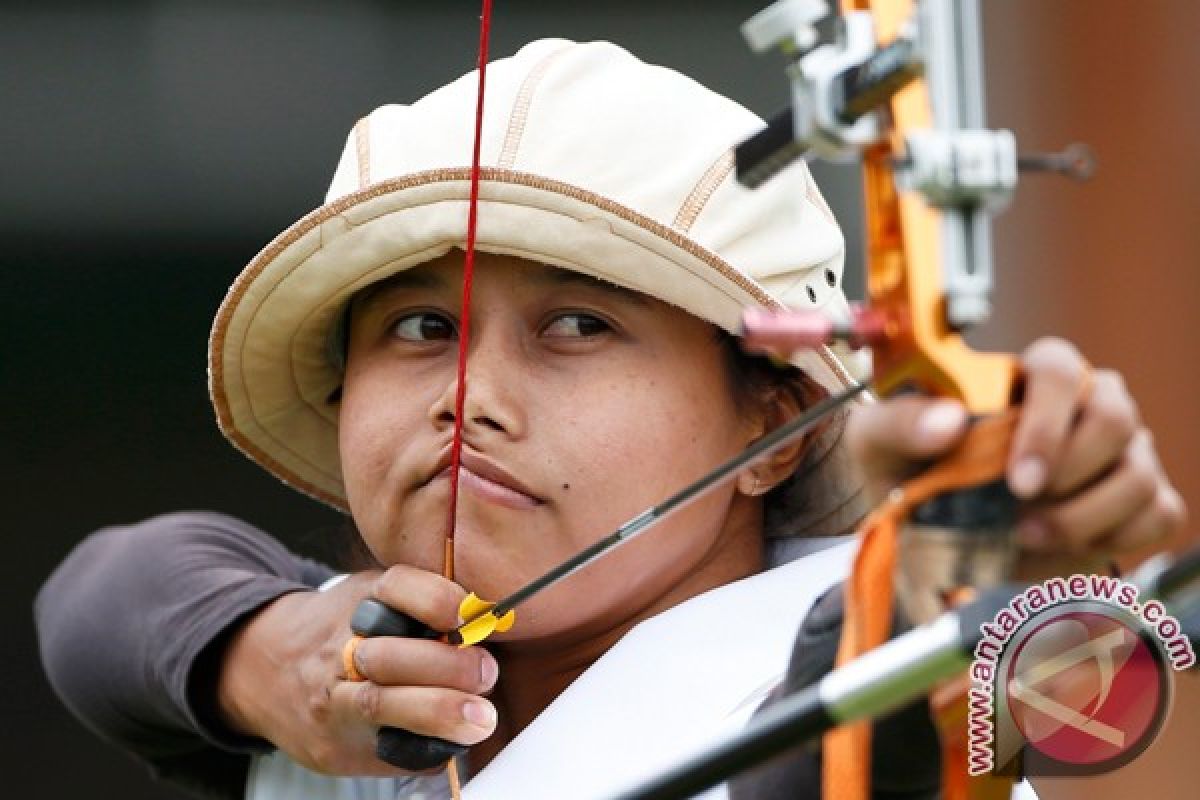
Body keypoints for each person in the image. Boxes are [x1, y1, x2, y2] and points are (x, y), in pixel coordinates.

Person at [35, 39, 1187, 799]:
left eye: (578, 325)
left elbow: (880, 720)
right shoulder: (363, 698)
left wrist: (986, 554)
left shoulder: (809, 667)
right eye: (421, 329)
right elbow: (101, 599)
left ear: (774, 429)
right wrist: (261, 657)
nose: (466, 393)